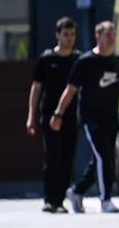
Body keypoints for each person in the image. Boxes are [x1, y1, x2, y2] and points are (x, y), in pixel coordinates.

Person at [50, 21, 119, 214]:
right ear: (98, 36)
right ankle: (105, 200)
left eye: (113, 33)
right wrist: (58, 113)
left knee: (102, 159)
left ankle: (77, 191)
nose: (111, 37)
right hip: (91, 118)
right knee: (103, 156)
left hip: (111, 117)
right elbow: (70, 90)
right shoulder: (86, 62)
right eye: (107, 34)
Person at [26, 17, 81, 213]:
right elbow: (36, 88)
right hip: (49, 115)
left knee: (67, 157)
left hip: (71, 116)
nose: (69, 38)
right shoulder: (46, 59)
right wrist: (31, 116)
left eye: (73, 34)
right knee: (52, 156)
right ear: (57, 35)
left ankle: (60, 201)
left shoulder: (78, 59)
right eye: (66, 34)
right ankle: (49, 199)